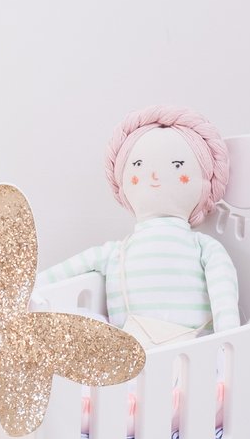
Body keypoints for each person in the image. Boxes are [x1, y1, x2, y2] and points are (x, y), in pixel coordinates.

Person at [39, 105, 239, 346]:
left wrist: (230, 343)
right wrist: (27, 289)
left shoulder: (204, 248)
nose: (154, 175)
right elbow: (61, 273)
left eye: (177, 165)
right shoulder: (116, 252)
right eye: (138, 165)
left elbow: (224, 302)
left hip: (194, 355)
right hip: (133, 359)